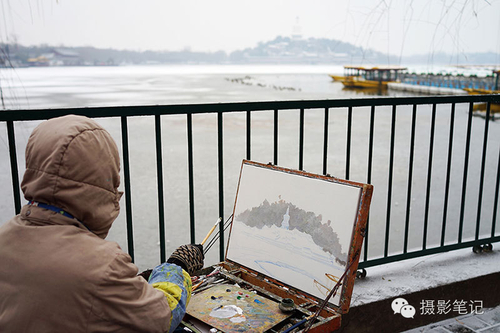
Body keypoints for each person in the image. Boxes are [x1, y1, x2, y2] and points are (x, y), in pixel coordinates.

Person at [0, 115, 204, 333]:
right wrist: (176, 267)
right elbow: (161, 318)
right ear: (102, 179)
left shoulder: (5, 238)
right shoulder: (102, 265)